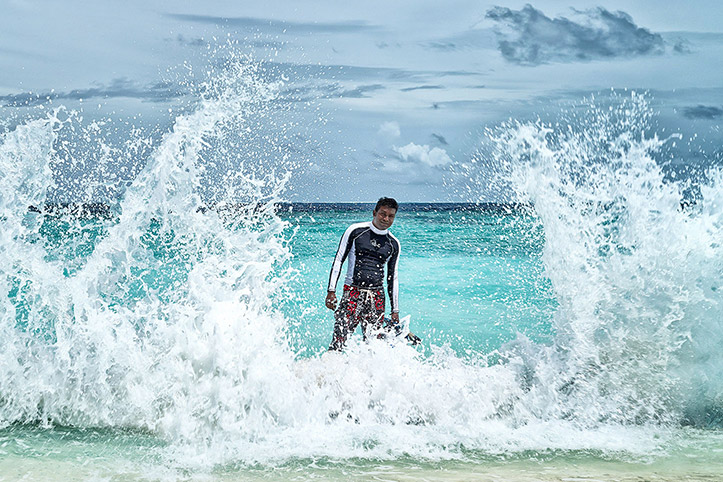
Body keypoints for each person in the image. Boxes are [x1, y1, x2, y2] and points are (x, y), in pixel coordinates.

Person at [325, 197, 401, 350]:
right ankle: (329, 371)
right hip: (352, 292)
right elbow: (339, 259)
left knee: (373, 345)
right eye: (382, 214)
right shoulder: (356, 231)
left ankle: (368, 373)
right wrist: (331, 290)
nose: (386, 219)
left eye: (391, 216)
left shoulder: (393, 243)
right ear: (374, 213)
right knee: (339, 340)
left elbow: (392, 278)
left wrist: (395, 310)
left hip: (377, 297)